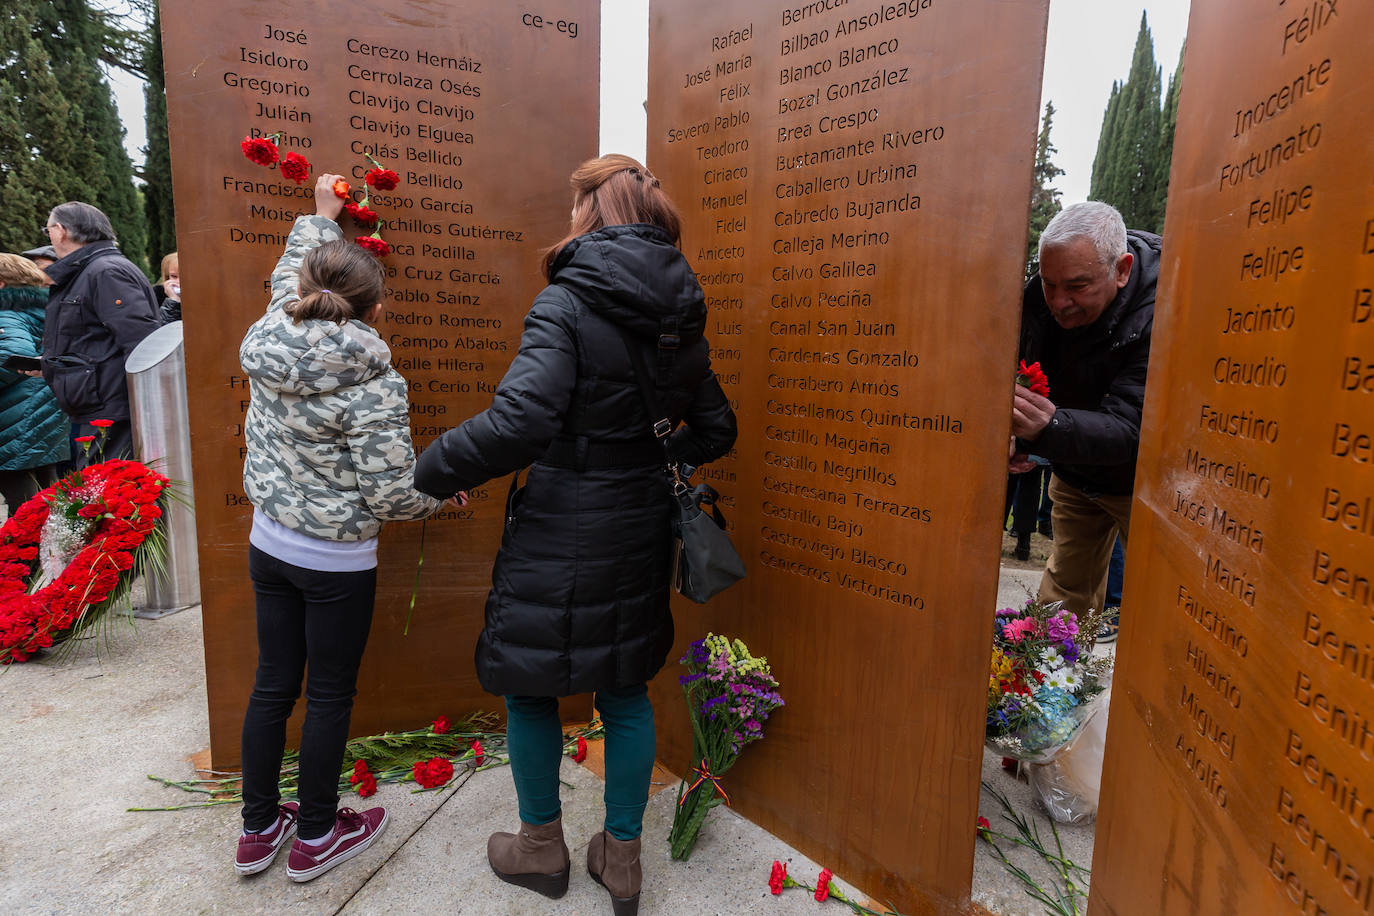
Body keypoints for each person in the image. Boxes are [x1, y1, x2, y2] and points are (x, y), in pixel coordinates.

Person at [415, 154, 737, 915]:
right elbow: (717, 428)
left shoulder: (564, 303)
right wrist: (651, 458)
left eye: (575, 210)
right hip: (637, 525)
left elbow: (522, 421)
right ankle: (621, 861)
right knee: (624, 690)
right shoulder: (682, 319)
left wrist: (430, 467)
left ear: (593, 217)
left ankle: (539, 849)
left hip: (561, 522)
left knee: (530, 688)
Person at [234, 173, 447, 882]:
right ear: (376, 310)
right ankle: (317, 835)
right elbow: (393, 496)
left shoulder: (270, 330)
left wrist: (321, 217)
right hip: (334, 564)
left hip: (270, 542)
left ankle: (259, 826)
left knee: (272, 685)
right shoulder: (375, 384)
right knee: (327, 694)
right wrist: (448, 496)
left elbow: (287, 275)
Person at [1010, 201, 1159, 641]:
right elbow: (1016, 366)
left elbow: (1134, 427)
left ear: (1123, 269)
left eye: (1076, 286)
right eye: (1050, 283)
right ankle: (1041, 694)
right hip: (1075, 473)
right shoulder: (1039, 295)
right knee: (1062, 596)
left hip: (1146, 485)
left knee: (1164, 599)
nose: (1058, 302)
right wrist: (1015, 437)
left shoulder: (1169, 305)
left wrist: (1050, 429)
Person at [40, 202, 159, 466]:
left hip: (112, 410)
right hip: (100, 405)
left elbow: (142, 343)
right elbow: (90, 340)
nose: (48, 235)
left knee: (108, 499)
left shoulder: (105, 271)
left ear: (60, 231)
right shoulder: (91, 270)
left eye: (47, 229)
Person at [0, 254, 69, 515]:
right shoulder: (41, 308)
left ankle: (25, 557)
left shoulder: (7, 312)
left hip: (15, 418)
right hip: (41, 413)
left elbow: (13, 353)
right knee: (42, 500)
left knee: (24, 505)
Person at [154, 251, 182, 324]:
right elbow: (161, 330)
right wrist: (173, 301)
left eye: (183, 276)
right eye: (174, 276)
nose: (178, 282)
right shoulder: (158, 295)